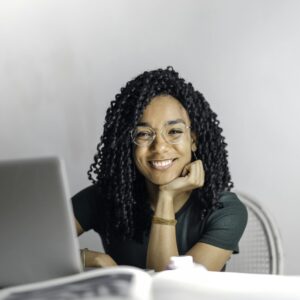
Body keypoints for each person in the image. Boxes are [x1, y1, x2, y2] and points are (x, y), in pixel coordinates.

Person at [72, 67, 248, 272]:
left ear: (193, 140)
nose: (160, 147)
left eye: (174, 131)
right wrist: (90, 258)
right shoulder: (105, 197)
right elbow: (31, 247)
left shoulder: (224, 211)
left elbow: (172, 292)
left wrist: (166, 196)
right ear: (128, 144)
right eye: (143, 134)